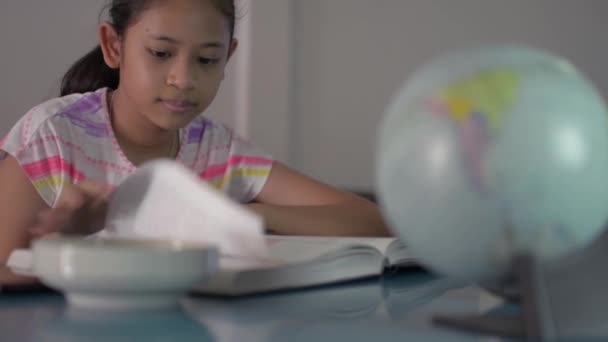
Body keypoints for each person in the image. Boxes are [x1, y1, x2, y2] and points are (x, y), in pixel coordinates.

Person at [0, 0, 389, 264]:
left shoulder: (219, 150)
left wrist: (237, 215)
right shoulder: (52, 137)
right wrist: (64, 242)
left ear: (227, 59)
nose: (183, 79)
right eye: (160, 53)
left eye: (206, 59)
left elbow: (368, 220)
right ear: (113, 46)